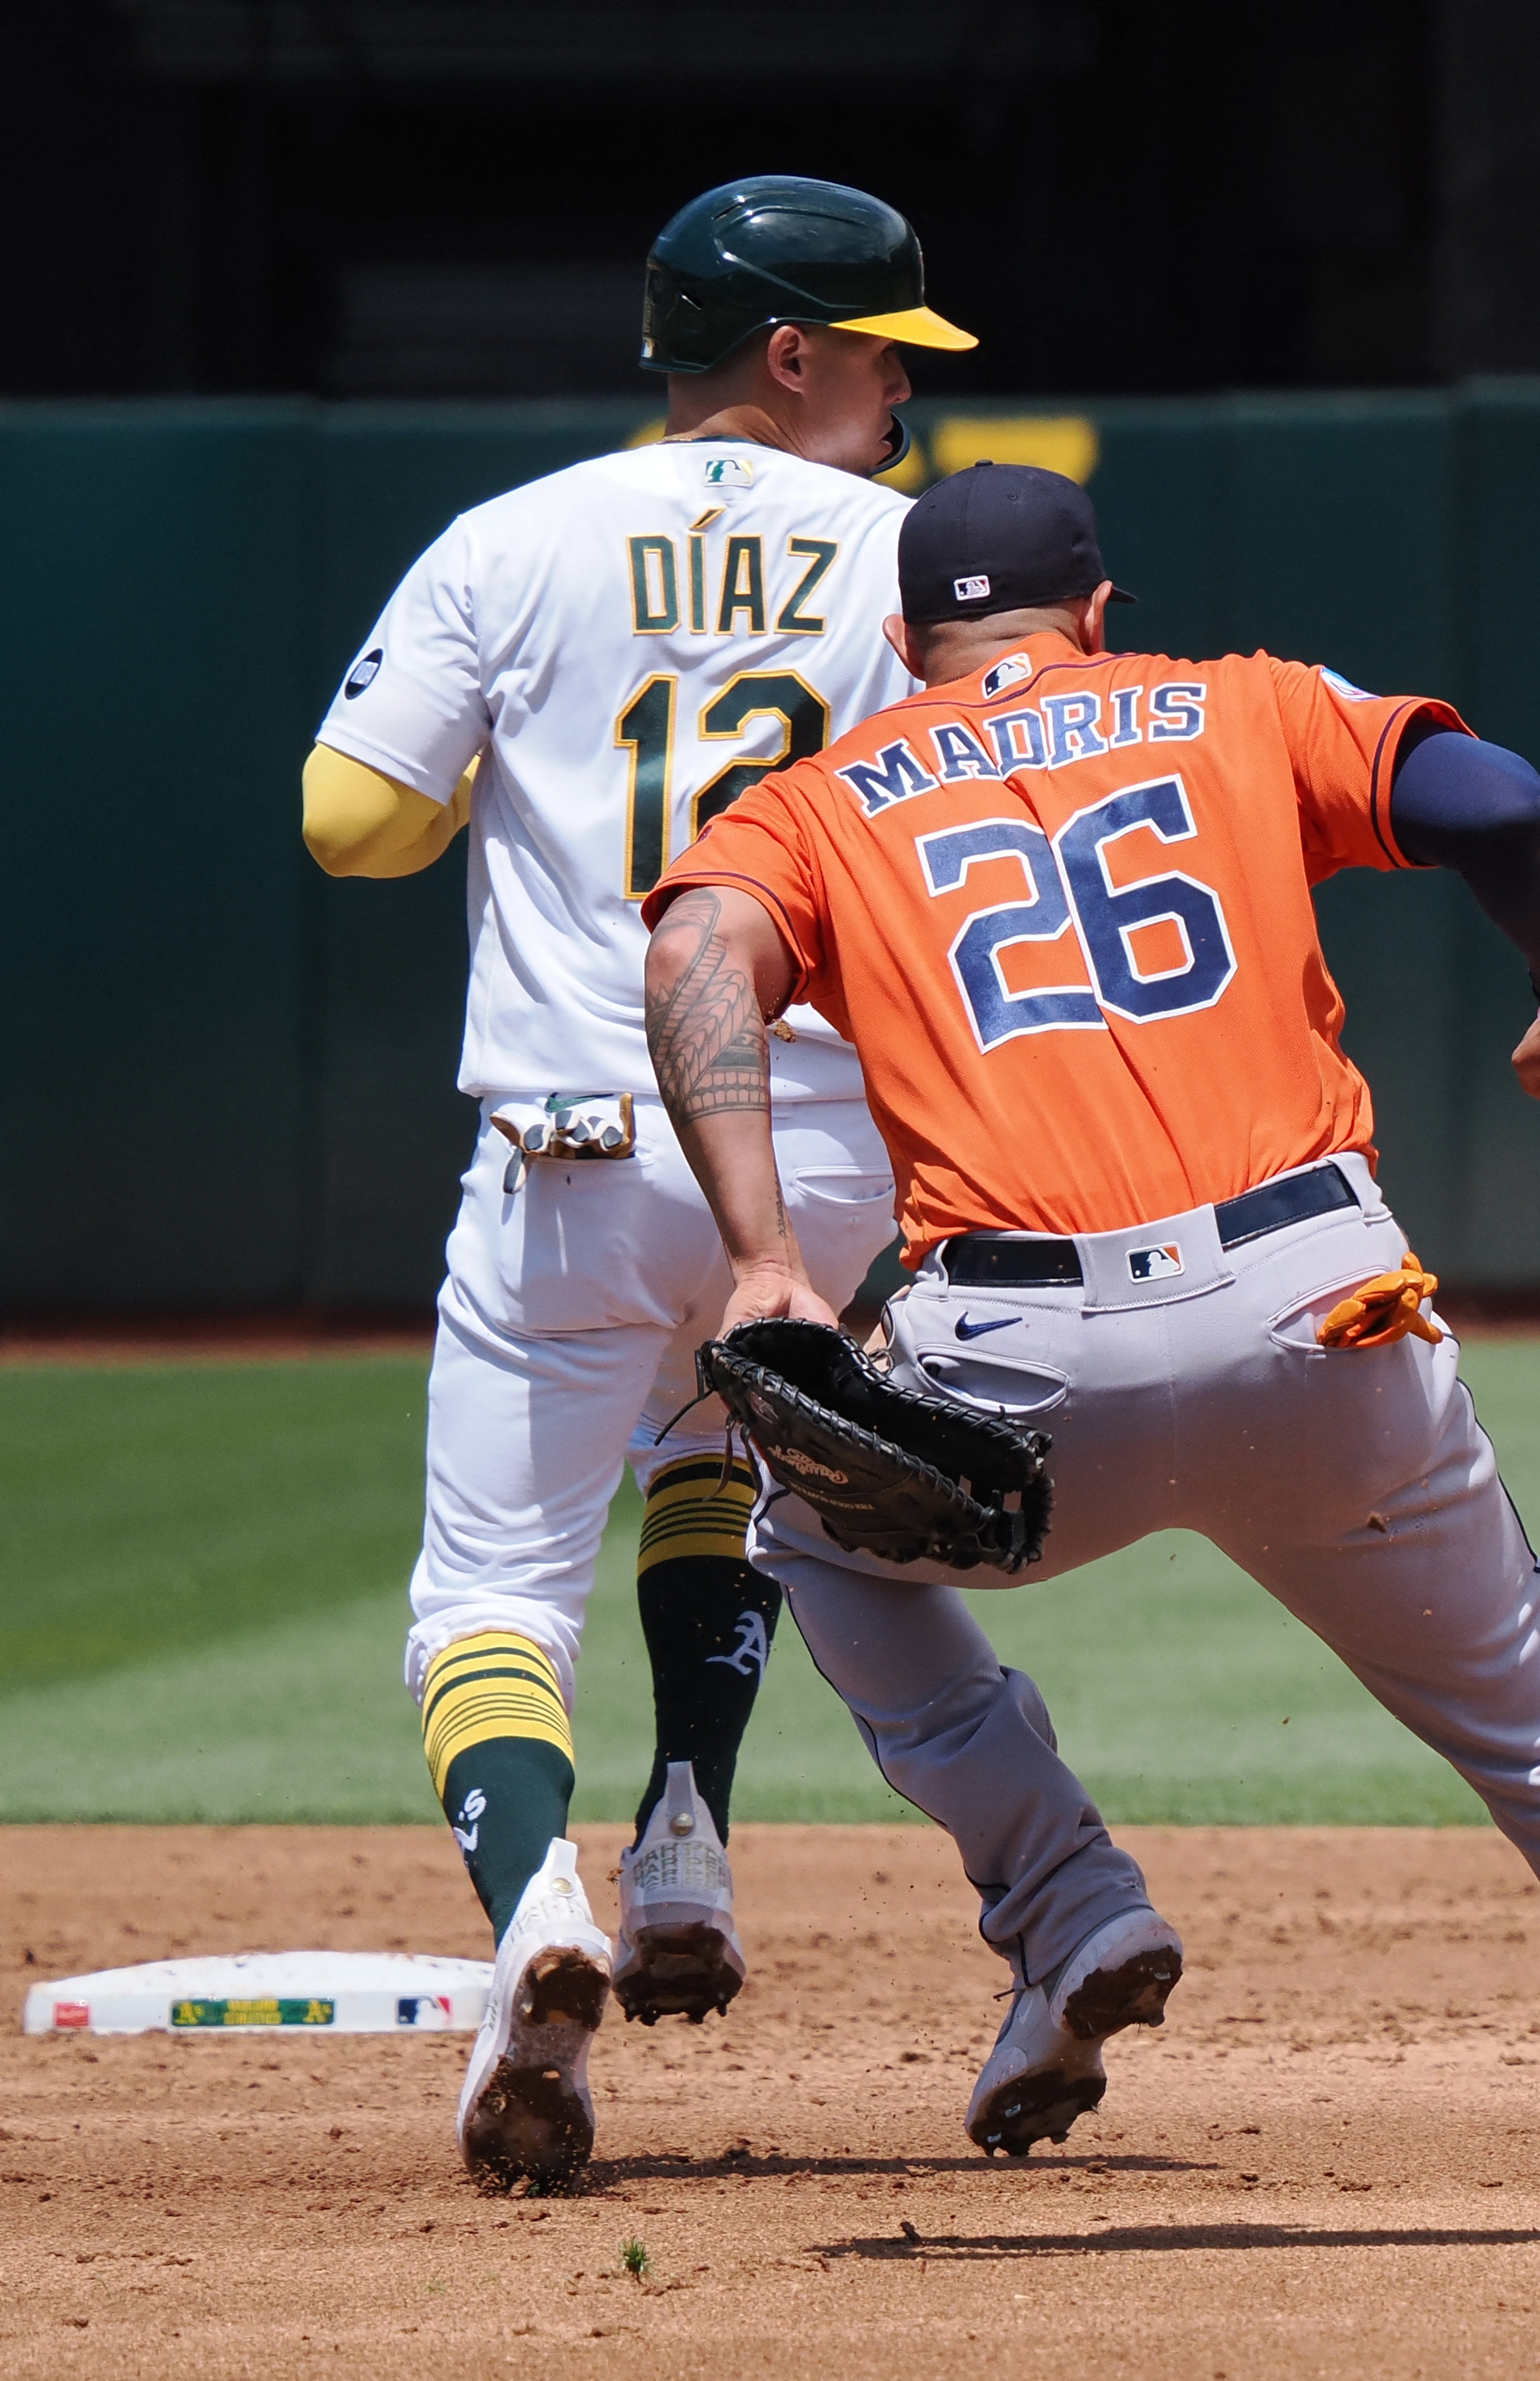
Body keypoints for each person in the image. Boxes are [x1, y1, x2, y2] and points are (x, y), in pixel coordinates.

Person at [634, 462, 1540, 2231]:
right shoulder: (1237, 702)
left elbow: (696, 953)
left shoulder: (812, 803)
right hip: (1315, 1314)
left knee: (800, 1533)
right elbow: (1498, 802)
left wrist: (766, 1258)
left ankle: (1065, 1895)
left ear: (904, 643)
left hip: (1021, 1363)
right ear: (1096, 612)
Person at [303, 175, 974, 2185]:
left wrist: (512, 793)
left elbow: (348, 817)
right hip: (821, 1156)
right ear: (790, 355)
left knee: (488, 1595)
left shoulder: (507, 545)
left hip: (580, 1143)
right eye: (879, 356)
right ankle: (685, 1821)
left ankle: (536, 1920)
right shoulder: (903, 558)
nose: (898, 396)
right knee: (712, 1468)